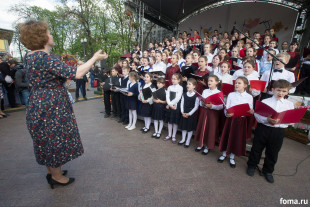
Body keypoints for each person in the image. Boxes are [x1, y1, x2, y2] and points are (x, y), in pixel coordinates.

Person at [19, 20, 108, 188]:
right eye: (48, 32)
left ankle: (53, 172)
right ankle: (57, 176)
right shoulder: (44, 58)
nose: (51, 35)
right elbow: (78, 74)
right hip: (50, 104)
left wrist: (73, 69)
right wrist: (94, 58)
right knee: (53, 138)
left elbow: (56, 73)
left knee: (45, 138)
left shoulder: (31, 57)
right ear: (42, 37)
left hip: (38, 101)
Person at [247, 80, 294, 183]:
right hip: (264, 128)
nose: (280, 93)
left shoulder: (289, 105)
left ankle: (268, 171)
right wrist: (267, 120)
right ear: (273, 90)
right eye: (278, 90)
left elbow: (291, 121)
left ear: (287, 92)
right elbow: (258, 116)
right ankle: (252, 165)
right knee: (256, 148)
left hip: (278, 131)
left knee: (273, 152)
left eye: (283, 91)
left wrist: (288, 121)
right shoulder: (265, 102)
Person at [218, 77, 254, 168]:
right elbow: (227, 107)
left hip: (241, 120)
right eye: (236, 83)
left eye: (239, 83)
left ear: (245, 85)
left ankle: (232, 157)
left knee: (236, 138)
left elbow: (249, 109)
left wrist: (250, 111)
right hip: (231, 119)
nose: (236, 85)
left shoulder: (249, 97)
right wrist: (227, 113)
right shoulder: (231, 95)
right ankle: (224, 154)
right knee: (227, 135)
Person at [194, 75, 223, 154]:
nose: (209, 82)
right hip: (204, 112)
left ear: (216, 83)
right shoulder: (205, 91)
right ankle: (201, 144)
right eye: (208, 81)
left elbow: (220, 106)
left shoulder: (219, 93)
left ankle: (208, 146)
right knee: (202, 127)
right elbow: (201, 101)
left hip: (213, 114)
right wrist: (202, 103)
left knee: (210, 129)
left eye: (211, 81)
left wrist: (212, 106)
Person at [178, 78, 199, 147]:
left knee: (189, 128)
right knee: (184, 127)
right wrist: (182, 112)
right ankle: (183, 139)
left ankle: (188, 140)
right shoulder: (184, 94)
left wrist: (189, 114)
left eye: (189, 84)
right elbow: (182, 103)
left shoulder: (196, 96)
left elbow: (196, 107)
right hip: (184, 112)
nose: (187, 85)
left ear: (194, 86)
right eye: (187, 84)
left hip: (191, 114)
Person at [164, 73, 183, 143]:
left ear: (179, 80)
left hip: (175, 106)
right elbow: (167, 96)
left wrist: (171, 104)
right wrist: (169, 104)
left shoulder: (180, 88)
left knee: (175, 122)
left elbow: (178, 98)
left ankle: (174, 136)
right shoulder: (170, 87)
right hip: (170, 106)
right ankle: (169, 134)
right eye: (172, 78)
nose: (173, 80)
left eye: (175, 79)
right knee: (170, 121)